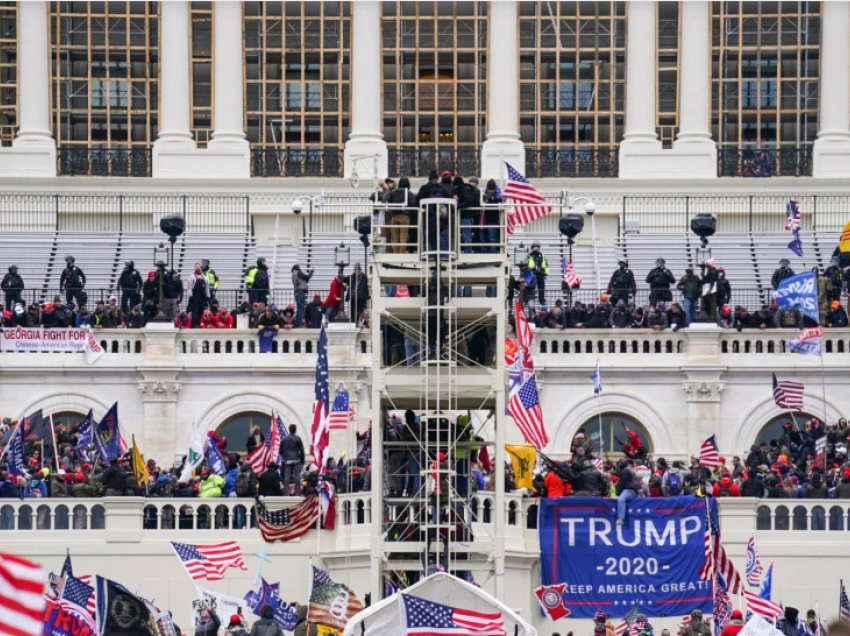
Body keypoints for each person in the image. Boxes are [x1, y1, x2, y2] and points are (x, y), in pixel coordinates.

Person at [387, 176, 413, 253]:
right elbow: (413, 204)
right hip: (405, 216)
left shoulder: (393, 192)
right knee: (403, 237)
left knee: (395, 237)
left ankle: (396, 253)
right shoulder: (409, 193)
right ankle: (401, 254)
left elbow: (388, 202)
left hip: (394, 216)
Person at [454, 176, 479, 253]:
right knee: (466, 234)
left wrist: (457, 206)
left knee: (466, 234)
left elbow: (468, 201)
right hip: (468, 215)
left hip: (466, 215)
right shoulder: (467, 189)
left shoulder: (465, 190)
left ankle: (468, 251)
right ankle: (467, 251)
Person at [280, 424, 305, 496]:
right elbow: (302, 451)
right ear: (295, 429)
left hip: (287, 460)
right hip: (296, 459)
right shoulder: (298, 438)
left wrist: (284, 456)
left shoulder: (284, 439)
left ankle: (286, 493)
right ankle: (297, 492)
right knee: (297, 476)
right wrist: (302, 461)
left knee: (286, 476)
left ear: (289, 429)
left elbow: (280, 450)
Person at [615, 459, 639, 525]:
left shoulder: (625, 470)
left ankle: (621, 518)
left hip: (629, 490)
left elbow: (622, 483)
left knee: (621, 500)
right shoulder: (626, 470)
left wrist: (617, 494)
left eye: (619, 464)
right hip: (630, 490)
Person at [187, 263, 211, 327]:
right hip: (195, 296)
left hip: (203, 297)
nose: (197, 268)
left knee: (202, 310)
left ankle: (200, 323)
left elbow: (207, 287)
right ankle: (195, 324)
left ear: (200, 267)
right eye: (196, 267)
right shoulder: (192, 276)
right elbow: (189, 287)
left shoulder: (204, 277)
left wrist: (208, 296)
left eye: (198, 267)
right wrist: (191, 295)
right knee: (195, 310)